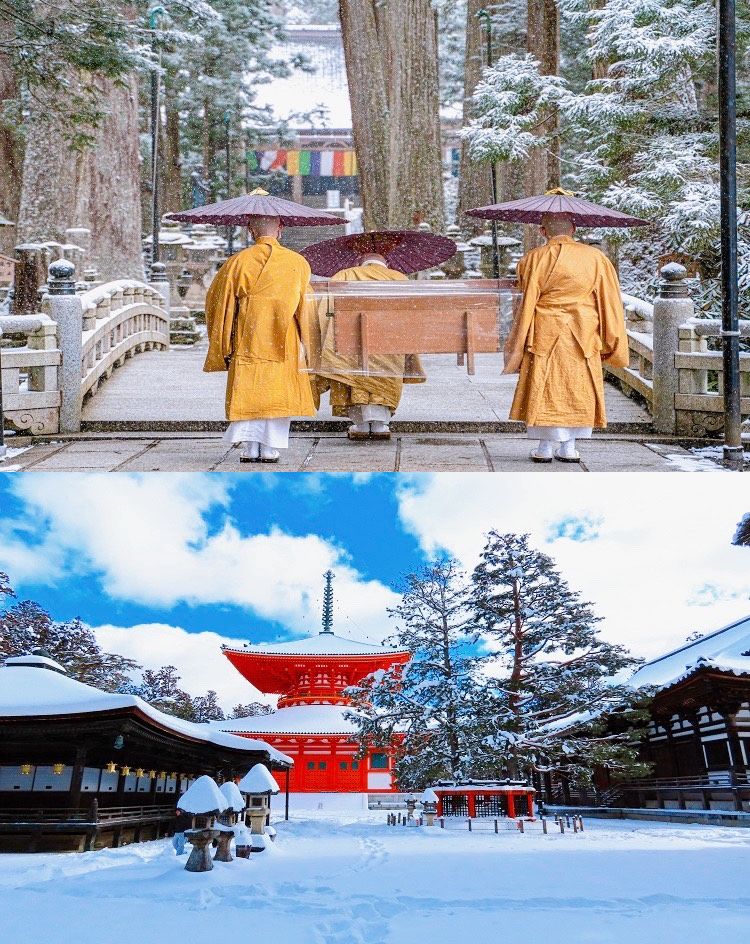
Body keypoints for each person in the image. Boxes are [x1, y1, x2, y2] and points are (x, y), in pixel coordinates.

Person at [503, 213, 629, 463]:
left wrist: (516, 341)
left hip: (544, 331)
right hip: (583, 332)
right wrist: (612, 340)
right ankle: (569, 447)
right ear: (574, 229)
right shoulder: (596, 258)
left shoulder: (533, 259)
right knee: (576, 386)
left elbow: (524, 301)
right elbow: (609, 301)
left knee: (545, 383)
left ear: (542, 231)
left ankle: (544, 447)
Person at [203, 215, 318, 463]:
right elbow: (306, 309)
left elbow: (218, 304)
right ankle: (269, 447)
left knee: (250, 388)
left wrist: (223, 342)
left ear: (249, 230)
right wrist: (311, 345)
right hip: (283, 337)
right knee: (276, 390)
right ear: (280, 229)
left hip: (248, 334)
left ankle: (250, 447)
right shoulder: (297, 263)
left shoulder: (237, 262)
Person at [315, 252, 425, 440]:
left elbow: (324, 313)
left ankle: (361, 424)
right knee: (386, 363)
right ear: (386, 263)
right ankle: (381, 424)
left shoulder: (344, 275)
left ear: (360, 262)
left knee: (354, 364)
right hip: (390, 346)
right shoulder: (399, 278)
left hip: (351, 348)